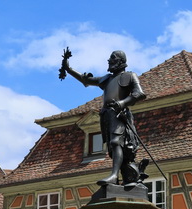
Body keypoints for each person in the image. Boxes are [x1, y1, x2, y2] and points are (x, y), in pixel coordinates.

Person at [60, 48, 147, 188]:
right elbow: (86, 80)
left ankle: (114, 176)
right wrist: (68, 68)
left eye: (113, 57)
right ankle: (123, 176)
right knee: (112, 148)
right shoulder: (107, 79)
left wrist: (122, 103)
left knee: (115, 142)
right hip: (106, 115)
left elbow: (139, 94)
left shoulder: (130, 76)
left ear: (121, 61)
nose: (109, 60)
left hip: (119, 113)